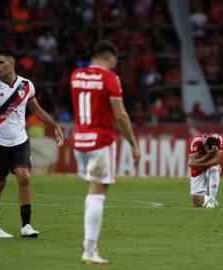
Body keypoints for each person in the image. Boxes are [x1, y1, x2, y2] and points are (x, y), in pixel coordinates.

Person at [0, 49, 64, 238]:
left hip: (20, 141)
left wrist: (54, 125)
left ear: (12, 64)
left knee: (24, 177)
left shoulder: (26, 85)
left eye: (1, 62)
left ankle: (26, 226)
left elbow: (36, 110)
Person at [70, 40, 141, 265]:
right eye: (114, 62)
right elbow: (120, 115)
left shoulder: (76, 75)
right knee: (97, 194)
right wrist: (133, 143)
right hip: (101, 141)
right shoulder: (110, 78)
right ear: (111, 59)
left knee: (92, 191)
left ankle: (90, 246)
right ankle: (89, 250)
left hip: (79, 141)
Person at [188, 133, 223, 208]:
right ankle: (207, 198)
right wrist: (209, 155)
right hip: (198, 167)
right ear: (204, 146)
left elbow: (216, 160)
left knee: (214, 169)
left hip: (207, 164)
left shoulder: (219, 140)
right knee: (198, 203)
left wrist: (201, 163)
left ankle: (212, 201)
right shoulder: (195, 141)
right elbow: (194, 162)